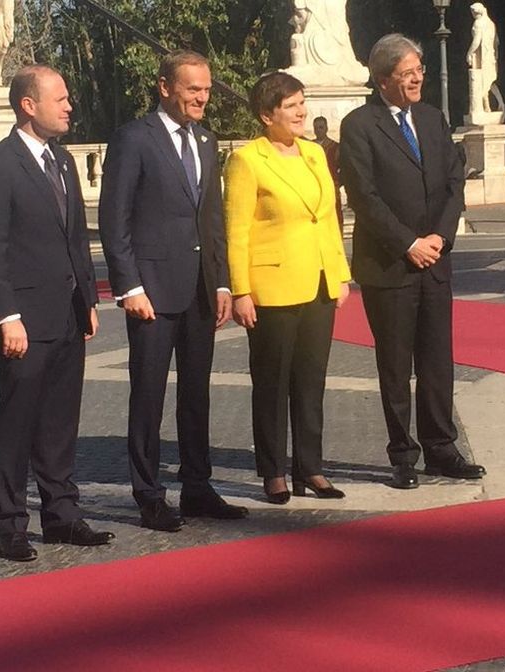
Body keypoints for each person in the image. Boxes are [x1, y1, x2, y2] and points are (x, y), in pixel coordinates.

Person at [0, 65, 113, 562]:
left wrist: (88, 299)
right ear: (28, 105)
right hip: (22, 321)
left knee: (59, 421)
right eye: (61, 99)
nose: (70, 106)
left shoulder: (65, 162)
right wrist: (7, 317)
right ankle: (11, 523)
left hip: (67, 314)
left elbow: (76, 238)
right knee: (17, 422)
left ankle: (62, 516)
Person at [99, 50, 248, 532]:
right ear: (165, 87)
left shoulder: (206, 141)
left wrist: (222, 279)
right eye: (193, 89)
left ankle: (198, 486)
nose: (203, 97)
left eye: (206, 89)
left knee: (196, 394)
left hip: (201, 288)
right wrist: (129, 286)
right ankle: (148, 494)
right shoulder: (133, 139)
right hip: (152, 292)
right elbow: (113, 220)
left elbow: (213, 217)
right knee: (148, 395)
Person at [340, 33, 486, 490]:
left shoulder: (432, 118)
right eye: (408, 73)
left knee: (438, 361)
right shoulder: (359, 125)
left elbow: (452, 181)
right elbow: (364, 196)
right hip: (391, 265)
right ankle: (403, 453)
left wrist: (440, 236)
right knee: (396, 365)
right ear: (384, 80)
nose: (418, 77)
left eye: (419, 69)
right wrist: (408, 243)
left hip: (435, 260)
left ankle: (442, 447)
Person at [224, 73, 353, 504]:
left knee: (311, 381)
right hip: (272, 287)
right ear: (267, 116)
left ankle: (311, 468)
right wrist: (241, 290)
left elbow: (329, 218)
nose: (301, 112)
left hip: (318, 282)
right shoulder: (247, 160)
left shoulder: (316, 153)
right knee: (273, 383)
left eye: (302, 102)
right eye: (291, 106)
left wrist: (339, 274)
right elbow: (236, 230)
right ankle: (273, 471)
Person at [312, 115, 343, 229]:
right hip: (313, 189)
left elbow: (344, 169)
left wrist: (337, 183)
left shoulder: (335, 147)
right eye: (316, 128)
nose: (318, 130)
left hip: (331, 188)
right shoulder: (309, 147)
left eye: (320, 127)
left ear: (326, 128)